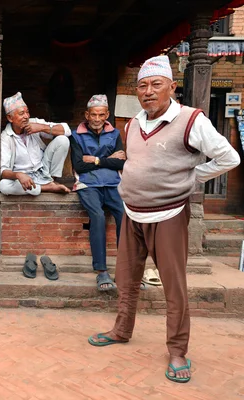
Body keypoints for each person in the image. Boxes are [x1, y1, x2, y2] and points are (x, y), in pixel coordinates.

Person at [88, 55, 240, 383]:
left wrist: (193, 176)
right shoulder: (133, 124)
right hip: (132, 213)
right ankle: (121, 330)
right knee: (126, 280)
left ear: (172, 87)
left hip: (169, 214)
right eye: (142, 85)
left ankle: (178, 351)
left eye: (156, 84)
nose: (148, 91)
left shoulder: (191, 120)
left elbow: (229, 156)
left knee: (174, 287)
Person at [69, 94, 125, 291]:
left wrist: (95, 160)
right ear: (87, 114)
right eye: (93, 114)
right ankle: (101, 271)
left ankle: (125, 269)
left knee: (125, 216)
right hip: (88, 184)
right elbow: (78, 165)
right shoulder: (76, 135)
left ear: (107, 114)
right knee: (98, 216)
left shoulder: (115, 133)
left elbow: (121, 162)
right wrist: (108, 159)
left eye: (101, 114)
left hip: (112, 183)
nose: (97, 119)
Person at [0, 92, 72, 195]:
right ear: (10, 118)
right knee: (3, 185)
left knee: (63, 140)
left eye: (27, 112)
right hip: (26, 179)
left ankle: (51, 179)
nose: (26, 116)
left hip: (44, 170)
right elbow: (4, 171)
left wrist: (41, 127)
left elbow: (67, 130)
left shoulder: (33, 123)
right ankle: (47, 187)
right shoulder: (5, 137)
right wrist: (19, 175)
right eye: (21, 113)